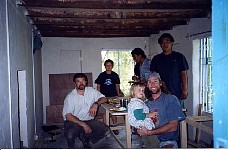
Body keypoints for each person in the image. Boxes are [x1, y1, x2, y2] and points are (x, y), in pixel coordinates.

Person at [137, 72, 186, 148]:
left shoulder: (170, 99)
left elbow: (173, 126)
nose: (152, 84)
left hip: (167, 141)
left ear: (160, 83)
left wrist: (149, 132)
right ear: (147, 85)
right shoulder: (144, 103)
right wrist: (138, 129)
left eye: (155, 81)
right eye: (149, 82)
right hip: (149, 141)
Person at [62, 73, 110, 148]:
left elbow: (104, 98)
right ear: (75, 83)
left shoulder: (91, 91)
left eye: (83, 80)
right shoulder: (70, 97)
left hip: (88, 120)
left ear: (86, 82)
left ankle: (85, 137)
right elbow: (68, 116)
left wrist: (96, 104)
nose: (81, 83)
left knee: (106, 130)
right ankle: (71, 147)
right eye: (78, 81)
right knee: (70, 134)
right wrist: (84, 125)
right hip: (74, 121)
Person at [150, 33, 189, 109]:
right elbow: (153, 76)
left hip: (176, 91)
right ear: (160, 45)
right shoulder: (156, 59)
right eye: (163, 42)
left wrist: (185, 90)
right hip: (160, 93)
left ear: (172, 43)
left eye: (167, 41)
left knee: (178, 115)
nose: (165, 44)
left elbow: (184, 74)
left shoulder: (179, 57)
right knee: (162, 115)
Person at [95, 59, 124, 135]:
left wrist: (118, 94)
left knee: (114, 111)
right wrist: (98, 95)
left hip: (113, 96)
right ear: (105, 66)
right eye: (107, 65)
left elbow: (117, 85)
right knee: (105, 112)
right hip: (104, 97)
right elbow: (98, 85)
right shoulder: (101, 75)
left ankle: (115, 126)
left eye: (110, 65)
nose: (108, 67)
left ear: (112, 66)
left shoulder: (115, 75)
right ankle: (106, 128)